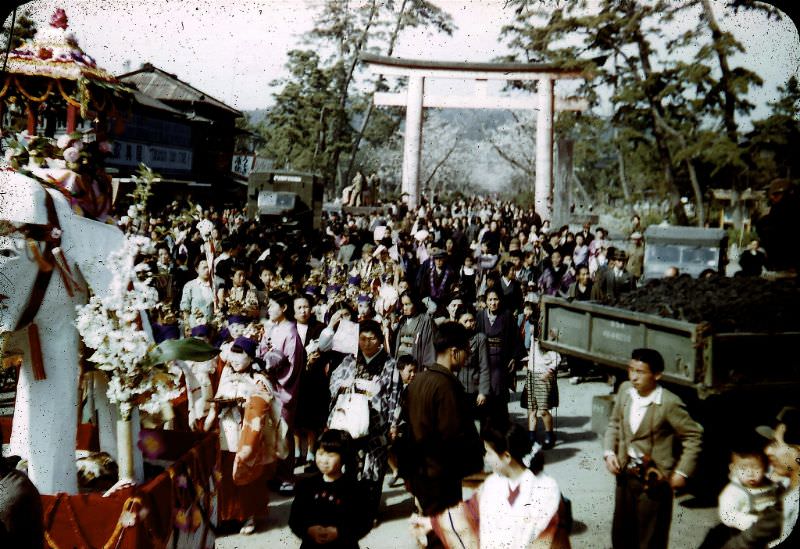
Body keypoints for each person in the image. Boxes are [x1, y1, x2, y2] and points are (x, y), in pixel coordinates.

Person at [410, 421, 569, 549]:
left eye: (489, 452)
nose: (486, 458)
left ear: (506, 457)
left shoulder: (546, 491)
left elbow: (551, 541)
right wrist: (432, 523)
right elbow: (469, 512)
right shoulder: (493, 483)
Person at [603, 348, 703, 549]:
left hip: (654, 481)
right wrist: (609, 452)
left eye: (640, 372)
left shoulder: (668, 403)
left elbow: (694, 435)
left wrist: (682, 472)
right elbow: (614, 423)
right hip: (625, 475)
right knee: (622, 535)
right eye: (631, 370)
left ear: (657, 375)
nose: (634, 377)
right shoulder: (624, 391)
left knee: (650, 539)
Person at [403, 322, 484, 546]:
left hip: (421, 474)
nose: (467, 357)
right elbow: (452, 436)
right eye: (466, 351)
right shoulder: (446, 386)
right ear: (454, 351)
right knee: (445, 534)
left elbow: (406, 430)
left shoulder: (418, 381)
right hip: (442, 477)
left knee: (431, 533)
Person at [328, 319, 402, 517]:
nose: (367, 343)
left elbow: (396, 396)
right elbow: (334, 383)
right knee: (352, 466)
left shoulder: (390, 364)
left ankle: (370, 511)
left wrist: (394, 423)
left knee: (374, 469)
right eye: (363, 338)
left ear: (380, 340)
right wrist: (345, 384)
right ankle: (352, 509)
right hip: (352, 424)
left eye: (372, 338)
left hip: (378, 424)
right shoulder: (350, 360)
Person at [203, 336, 272, 534]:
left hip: (246, 434)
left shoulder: (258, 378)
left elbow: (265, 402)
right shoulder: (226, 374)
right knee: (225, 475)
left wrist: (245, 401)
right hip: (225, 430)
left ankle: (249, 516)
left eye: (239, 356)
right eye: (232, 356)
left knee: (245, 474)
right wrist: (211, 416)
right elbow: (217, 399)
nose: (234, 360)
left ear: (250, 358)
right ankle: (228, 516)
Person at [288, 429, 372, 548]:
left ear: (343, 457)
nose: (324, 460)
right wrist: (309, 530)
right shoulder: (307, 485)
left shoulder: (355, 488)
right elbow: (295, 518)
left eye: (331, 455)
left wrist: (339, 532)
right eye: (321, 453)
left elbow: (364, 521)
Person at [699, 436, 781, 549]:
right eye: (743, 469)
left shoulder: (770, 485)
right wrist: (748, 522)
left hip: (765, 531)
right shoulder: (734, 491)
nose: (750, 473)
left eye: (756, 468)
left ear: (765, 468)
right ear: (733, 468)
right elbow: (727, 514)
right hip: (742, 532)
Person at [526, 335, 560, 449]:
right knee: (531, 409)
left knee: (543, 410)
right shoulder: (533, 329)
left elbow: (558, 355)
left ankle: (550, 435)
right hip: (531, 373)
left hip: (544, 374)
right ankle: (531, 437)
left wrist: (550, 371)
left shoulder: (551, 331)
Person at [180, 257, 215, 333]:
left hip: (211, 328)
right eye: (204, 268)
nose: (207, 270)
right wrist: (187, 325)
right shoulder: (189, 285)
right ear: (197, 269)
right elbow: (185, 308)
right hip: (195, 327)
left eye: (209, 267)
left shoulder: (214, 286)